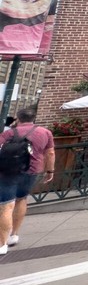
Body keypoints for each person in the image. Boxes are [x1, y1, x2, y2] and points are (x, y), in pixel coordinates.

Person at [0, 108, 55, 255]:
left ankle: (2, 244)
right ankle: (13, 235)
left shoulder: (9, 133)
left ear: (18, 118)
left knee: (6, 206)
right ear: (33, 118)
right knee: (21, 199)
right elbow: (50, 153)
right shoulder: (45, 132)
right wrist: (50, 171)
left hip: (8, 172)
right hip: (31, 171)